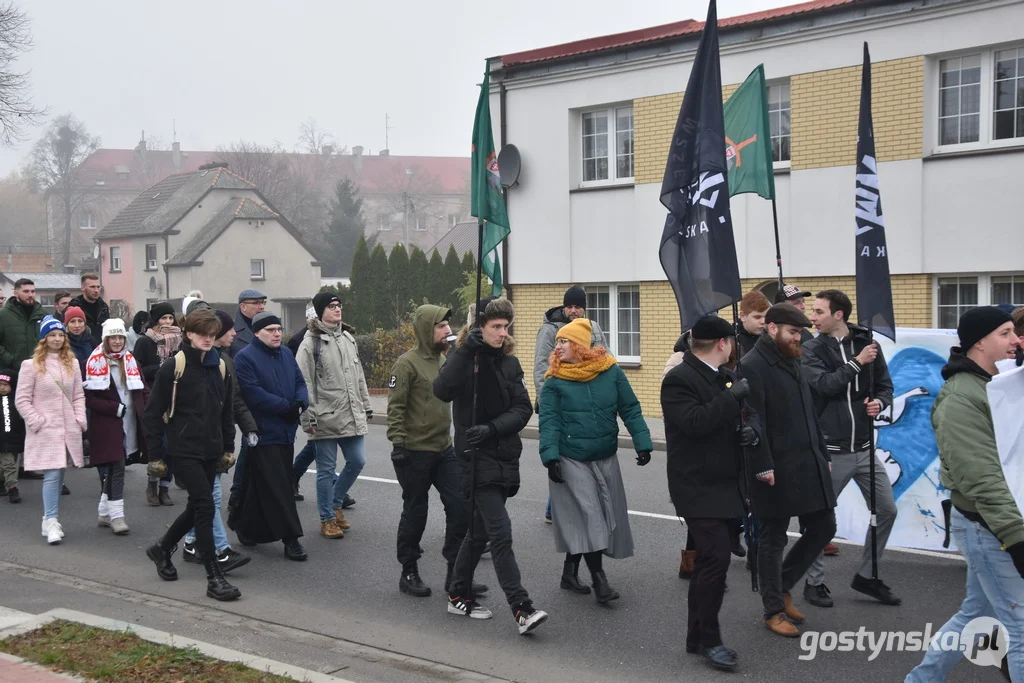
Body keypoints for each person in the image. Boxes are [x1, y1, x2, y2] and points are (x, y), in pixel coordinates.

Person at [904, 307, 1023, 681]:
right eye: (1005, 333)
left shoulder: (997, 385)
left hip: (994, 523)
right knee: (1020, 628)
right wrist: (1016, 536)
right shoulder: (961, 397)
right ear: (979, 342)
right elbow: (981, 477)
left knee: (976, 615)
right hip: (987, 527)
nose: (1016, 340)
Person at [434, 297, 548, 635]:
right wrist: (465, 352)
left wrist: (493, 428)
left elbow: (522, 409)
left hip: (503, 455)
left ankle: (457, 594)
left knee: (480, 531)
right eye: (495, 326)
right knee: (500, 532)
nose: (502, 332)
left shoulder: (509, 364)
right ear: (479, 327)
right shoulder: (464, 359)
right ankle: (521, 608)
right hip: (474, 459)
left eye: (505, 326)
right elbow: (442, 389)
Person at [662, 315, 756, 671]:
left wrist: (752, 432)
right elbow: (695, 423)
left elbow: (749, 415)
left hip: (728, 483)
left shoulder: (727, 377)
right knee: (715, 559)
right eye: (731, 341)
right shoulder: (679, 379)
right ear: (723, 343)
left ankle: (695, 634)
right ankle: (710, 640)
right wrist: (732, 399)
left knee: (708, 562)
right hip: (696, 484)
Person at [539, 317, 651, 603]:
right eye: (557, 341)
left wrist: (642, 442)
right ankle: (600, 581)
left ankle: (569, 573)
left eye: (564, 341)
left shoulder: (610, 372)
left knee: (594, 516)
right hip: (571, 457)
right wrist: (550, 457)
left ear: (579, 345)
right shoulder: (554, 381)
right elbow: (549, 422)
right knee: (590, 517)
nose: (558, 345)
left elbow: (630, 407)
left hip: (604, 455)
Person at [742, 304, 837, 638]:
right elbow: (754, 421)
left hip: (807, 460)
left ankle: (782, 585)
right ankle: (773, 609)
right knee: (772, 537)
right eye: (793, 332)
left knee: (825, 525)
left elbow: (809, 412)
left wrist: (822, 451)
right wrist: (762, 465)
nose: (799, 337)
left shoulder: (793, 357)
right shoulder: (753, 365)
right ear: (772, 329)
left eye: (800, 332)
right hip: (775, 467)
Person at [801, 290, 899, 609]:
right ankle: (813, 583)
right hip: (831, 450)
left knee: (886, 510)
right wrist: (857, 364)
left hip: (866, 449)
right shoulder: (811, 348)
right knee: (820, 520)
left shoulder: (866, 342)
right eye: (812, 312)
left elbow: (885, 385)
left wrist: (879, 403)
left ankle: (868, 576)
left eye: (818, 312)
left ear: (838, 315)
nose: (811, 317)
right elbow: (826, 385)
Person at [142, 309, 240, 602]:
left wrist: (228, 447)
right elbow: (152, 415)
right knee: (205, 506)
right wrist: (156, 457)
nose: (208, 339)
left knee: (197, 507)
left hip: (211, 449)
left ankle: (161, 549)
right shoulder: (174, 366)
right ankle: (214, 577)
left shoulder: (221, 365)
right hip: (183, 450)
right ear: (189, 334)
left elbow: (227, 411)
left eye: (212, 334)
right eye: (202, 334)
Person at [388, 304, 486, 597]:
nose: (448, 330)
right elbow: (395, 408)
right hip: (414, 452)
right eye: (441, 326)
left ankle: (456, 575)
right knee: (415, 512)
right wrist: (398, 444)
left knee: (460, 509)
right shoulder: (406, 364)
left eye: (448, 325)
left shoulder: (445, 359)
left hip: (444, 450)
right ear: (425, 329)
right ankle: (409, 571)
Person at [230, 311, 308, 561]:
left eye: (278, 329)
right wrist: (287, 407)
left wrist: (300, 403)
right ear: (256, 333)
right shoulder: (245, 358)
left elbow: (299, 381)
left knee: (260, 484)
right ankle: (291, 538)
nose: (276, 334)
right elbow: (253, 394)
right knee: (280, 487)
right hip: (263, 431)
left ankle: (244, 525)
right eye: (270, 330)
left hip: (286, 430)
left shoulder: (285, 353)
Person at [181, 310, 254, 574]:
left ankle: (188, 542)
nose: (234, 334)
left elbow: (231, 403)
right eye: (227, 330)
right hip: (192, 446)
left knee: (202, 500)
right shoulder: (181, 365)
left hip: (212, 443)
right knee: (210, 497)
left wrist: (246, 429)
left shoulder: (223, 362)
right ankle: (221, 551)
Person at [296, 293, 370, 538]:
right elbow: (303, 383)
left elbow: (359, 376)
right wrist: (307, 418)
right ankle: (327, 518)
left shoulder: (348, 338)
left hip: (350, 412)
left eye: (339, 306)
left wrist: (366, 404)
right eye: (331, 306)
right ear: (320, 312)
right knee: (326, 470)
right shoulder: (310, 343)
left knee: (357, 460)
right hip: (324, 415)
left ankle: (336, 503)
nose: (337, 310)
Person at [533, 285, 609, 523]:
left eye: (578, 306)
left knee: (583, 453)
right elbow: (540, 368)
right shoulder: (550, 330)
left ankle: (569, 506)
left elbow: (605, 357)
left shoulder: (593, 327)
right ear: (564, 307)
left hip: (589, 400)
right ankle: (553, 509)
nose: (574, 310)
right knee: (565, 456)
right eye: (570, 306)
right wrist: (547, 402)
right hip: (561, 401)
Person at [15, 316, 87, 545]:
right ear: (44, 339)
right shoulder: (31, 365)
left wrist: (79, 419)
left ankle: (48, 519)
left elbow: (78, 394)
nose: (56, 339)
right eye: (52, 335)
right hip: (46, 430)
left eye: (60, 335)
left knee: (60, 474)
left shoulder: (72, 363)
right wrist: (37, 421)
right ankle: (52, 520)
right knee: (53, 475)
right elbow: (22, 400)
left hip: (68, 428)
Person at [83, 319, 148, 536]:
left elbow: (142, 388)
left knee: (112, 468)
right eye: (113, 337)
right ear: (105, 339)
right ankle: (117, 517)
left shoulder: (130, 360)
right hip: (107, 423)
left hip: (129, 422)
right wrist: (114, 408)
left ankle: (103, 513)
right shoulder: (93, 362)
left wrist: (151, 409)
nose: (118, 341)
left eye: (120, 337)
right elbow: (89, 399)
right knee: (117, 466)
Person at [132, 302, 180, 506]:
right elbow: (137, 369)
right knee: (157, 444)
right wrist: (162, 368)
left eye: (170, 318)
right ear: (156, 321)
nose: (168, 323)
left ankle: (165, 487)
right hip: (152, 396)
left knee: (172, 445)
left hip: (175, 397)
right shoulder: (145, 342)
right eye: (163, 319)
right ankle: (152, 483)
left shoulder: (180, 341)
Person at [227, 289, 267, 508]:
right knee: (248, 445)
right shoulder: (233, 333)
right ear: (243, 306)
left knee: (261, 447)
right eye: (257, 303)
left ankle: (257, 491)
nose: (261, 306)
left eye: (263, 303)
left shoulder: (266, 327)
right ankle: (237, 493)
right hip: (243, 399)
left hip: (264, 396)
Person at [0, 278, 46, 374]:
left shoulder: (43, 314)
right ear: (15, 293)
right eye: (26, 291)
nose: (30, 295)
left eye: (32, 291)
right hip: (12, 372)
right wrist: (11, 360)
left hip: (40, 369)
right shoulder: (3, 315)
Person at [0, 368, 25, 503]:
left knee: (8, 465)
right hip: (3, 440)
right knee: (7, 466)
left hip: (13, 440)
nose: (2, 388)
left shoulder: (17, 401)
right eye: (0, 385)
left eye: (5, 385)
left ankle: (8, 485)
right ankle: (11, 487)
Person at [69, 273, 110, 342]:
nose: (96, 290)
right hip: (81, 346)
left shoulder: (103, 307)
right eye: (92, 287)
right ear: (83, 288)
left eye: (98, 287)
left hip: (100, 347)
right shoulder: (74, 307)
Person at [738, 290, 770, 358]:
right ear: (743, 316)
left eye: (766, 316)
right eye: (757, 317)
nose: (763, 321)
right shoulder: (732, 341)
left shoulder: (770, 337)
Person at [64, 307, 94, 379]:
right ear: (67, 324)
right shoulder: (63, 343)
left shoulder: (91, 341)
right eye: (72, 321)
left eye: (80, 321)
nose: (77, 325)